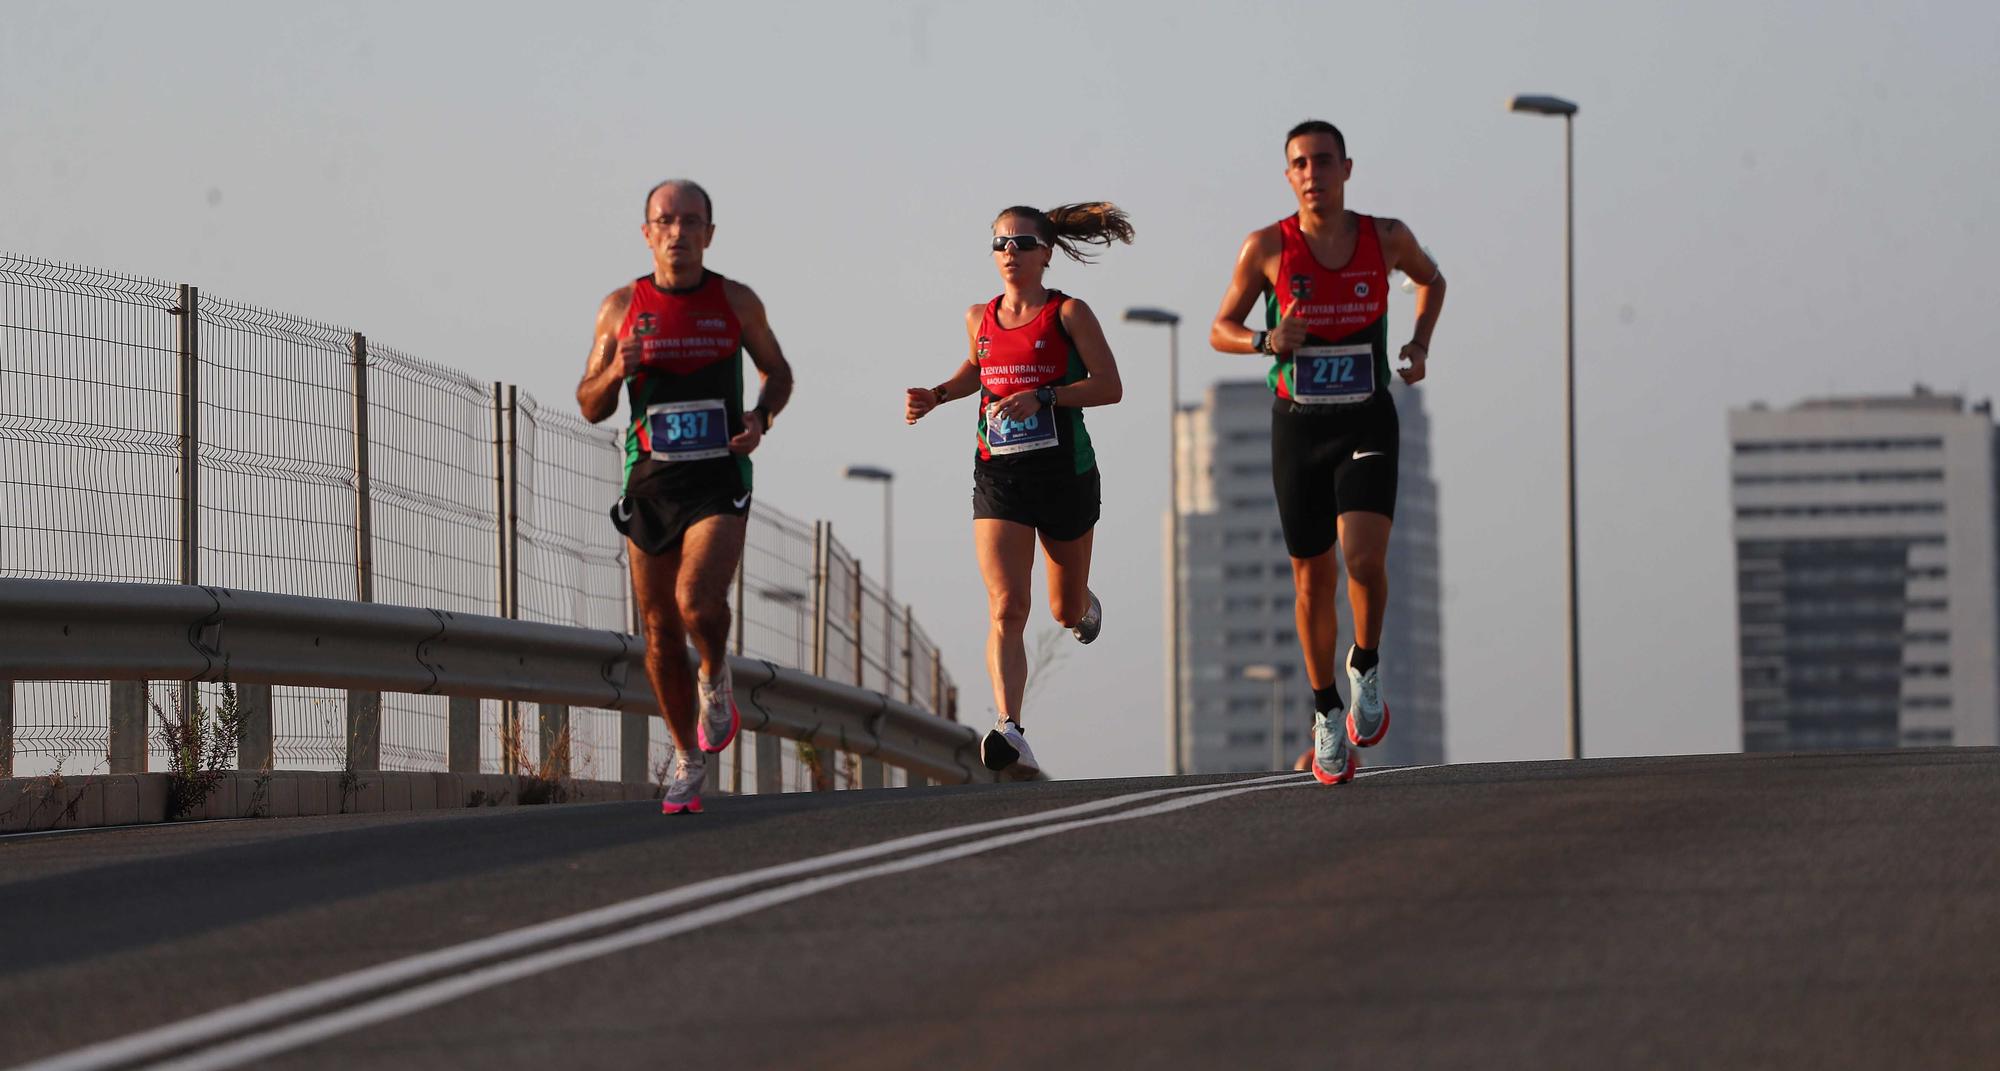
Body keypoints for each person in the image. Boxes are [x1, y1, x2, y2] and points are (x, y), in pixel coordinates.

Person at [1208, 121, 1445, 785]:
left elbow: (1433, 281)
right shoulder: (1267, 248)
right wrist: (1264, 340)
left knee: (1365, 557)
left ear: (1346, 168)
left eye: (1322, 161)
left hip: (1367, 418)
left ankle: (1364, 665)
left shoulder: (1385, 238)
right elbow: (1218, 328)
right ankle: (1324, 712)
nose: (1311, 173)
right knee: (1311, 577)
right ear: (1289, 178)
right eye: (1299, 164)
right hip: (1299, 425)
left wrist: (1420, 344)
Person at [577, 179, 794, 814]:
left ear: (709, 233)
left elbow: (777, 372)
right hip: (651, 479)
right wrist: (618, 368)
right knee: (657, 630)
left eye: (690, 221)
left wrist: (759, 419)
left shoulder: (734, 300)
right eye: (665, 221)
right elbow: (590, 404)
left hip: (718, 476)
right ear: (647, 233)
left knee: (697, 601)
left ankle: (716, 673)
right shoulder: (620, 308)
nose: (678, 232)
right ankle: (686, 755)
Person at [905, 203, 1130, 776]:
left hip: (1063, 474)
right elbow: (977, 369)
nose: (1010, 253)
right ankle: (1010, 728)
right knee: (1007, 605)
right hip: (998, 474)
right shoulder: (979, 317)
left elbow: (1109, 386)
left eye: (1022, 243)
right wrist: (937, 394)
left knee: (1062, 608)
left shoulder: (1069, 313)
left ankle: (1084, 605)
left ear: (1046, 253)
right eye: (1000, 244)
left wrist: (1047, 396)